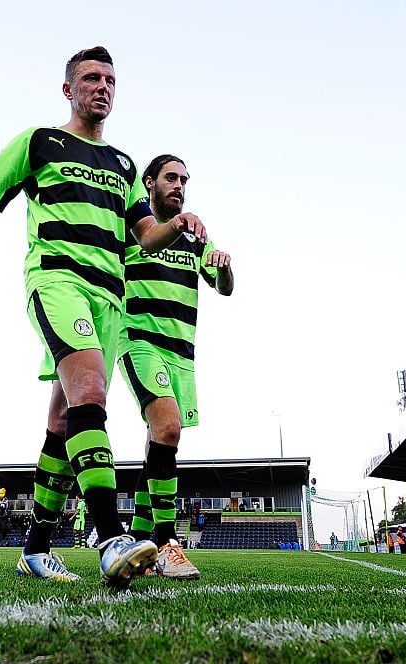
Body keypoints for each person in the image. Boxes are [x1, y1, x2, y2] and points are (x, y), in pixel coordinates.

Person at [0, 46, 205, 588]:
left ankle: (34, 548)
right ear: (68, 89)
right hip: (57, 283)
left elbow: (145, 235)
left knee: (62, 421)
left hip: (110, 300)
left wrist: (180, 226)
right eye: (90, 78)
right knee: (91, 393)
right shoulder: (40, 142)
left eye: (109, 80)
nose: (102, 87)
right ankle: (109, 538)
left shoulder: (125, 166)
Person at [121, 154, 232, 582]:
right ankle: (167, 543)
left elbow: (223, 288)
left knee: (158, 443)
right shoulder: (134, 229)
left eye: (184, 179)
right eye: (171, 177)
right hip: (139, 341)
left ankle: (140, 540)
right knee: (167, 427)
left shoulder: (197, 239)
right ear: (149, 182)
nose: (179, 185)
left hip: (181, 354)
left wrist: (224, 266)